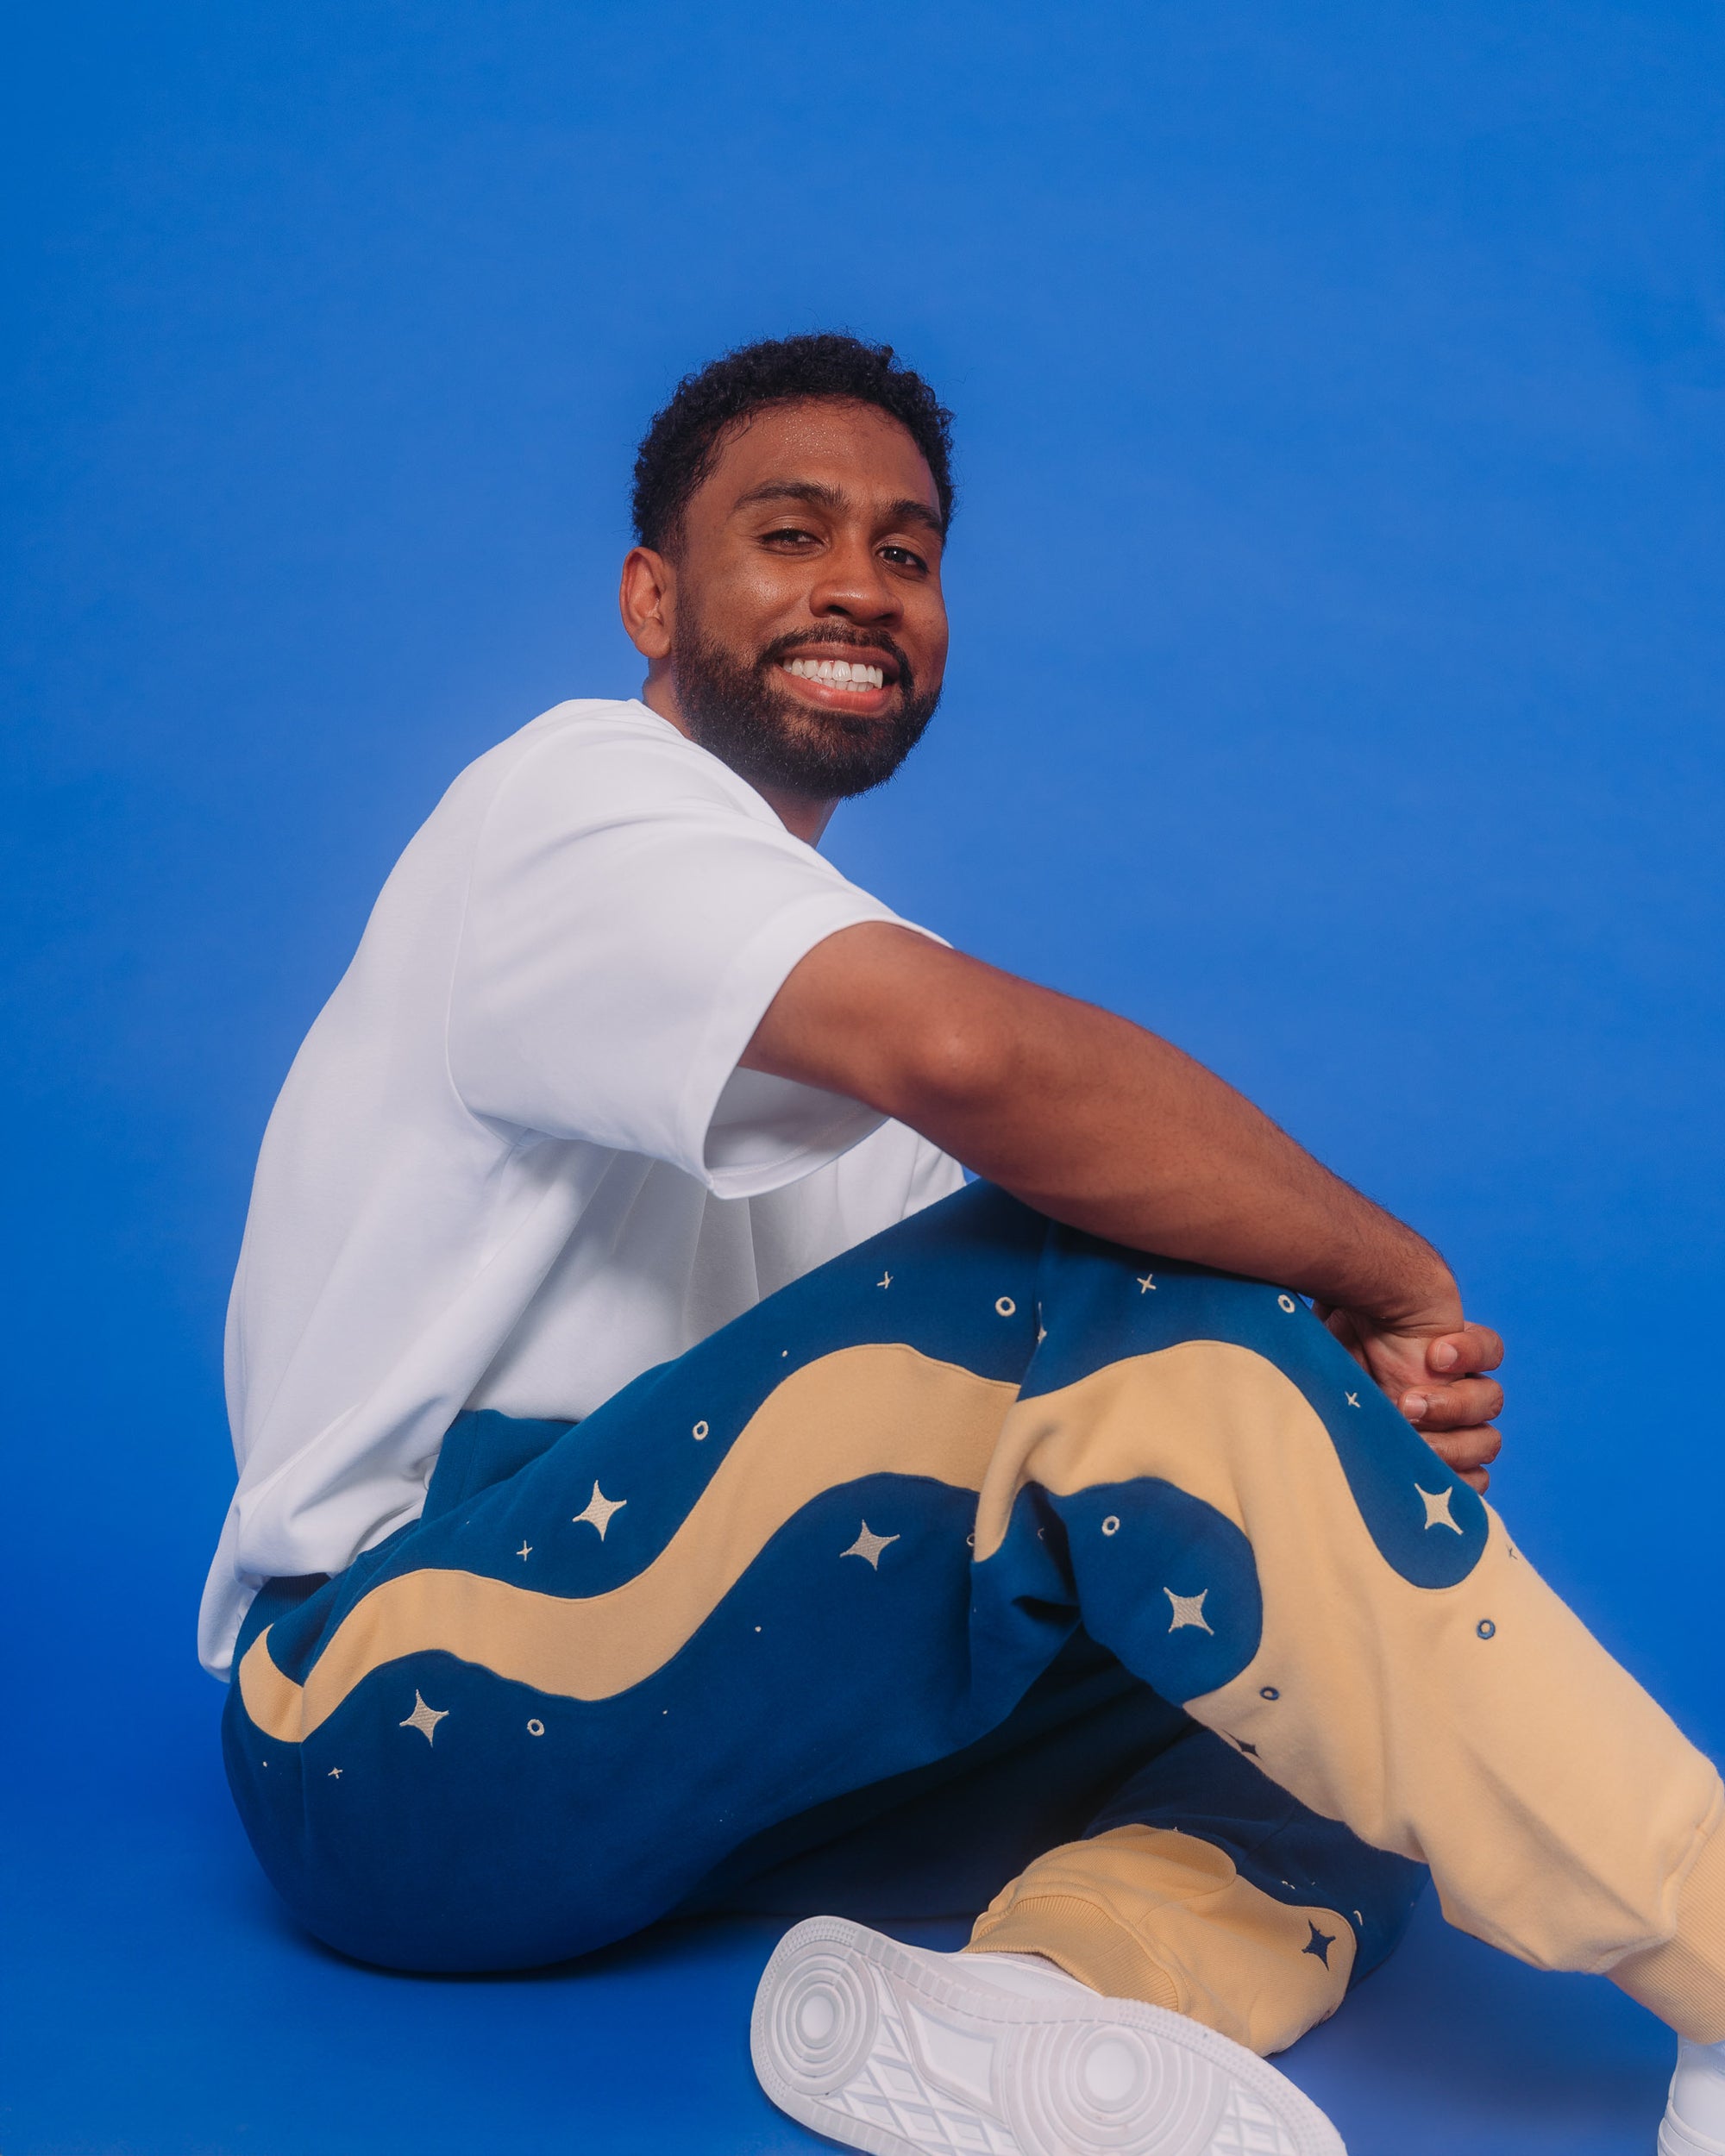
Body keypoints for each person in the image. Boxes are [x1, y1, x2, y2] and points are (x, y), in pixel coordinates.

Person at [204, 332, 1725, 2156]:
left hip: (696, 1776)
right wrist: (1382, 1276)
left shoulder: (824, 990)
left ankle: (1041, 2008)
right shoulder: (562, 804)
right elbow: (980, 1074)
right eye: (789, 532)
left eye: (906, 551)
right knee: (1111, 1282)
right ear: (650, 594)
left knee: (1336, 1687)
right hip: (385, 1731)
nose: (860, 582)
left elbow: (1117, 1384)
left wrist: (1329, 1415)